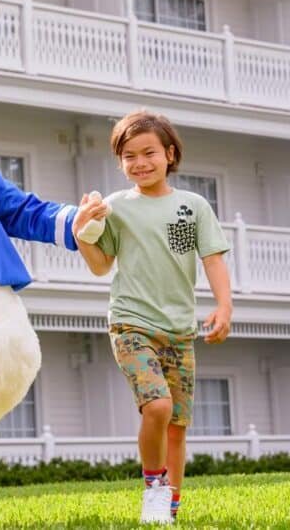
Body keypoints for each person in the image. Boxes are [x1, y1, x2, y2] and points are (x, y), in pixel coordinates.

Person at [74, 109, 233, 524]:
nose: (139, 163)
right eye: (129, 156)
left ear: (170, 153)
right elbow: (100, 264)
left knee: (177, 427)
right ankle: (154, 489)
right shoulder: (114, 208)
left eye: (148, 153)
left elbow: (211, 259)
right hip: (131, 323)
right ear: (120, 161)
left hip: (180, 330)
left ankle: (170, 512)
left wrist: (224, 305)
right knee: (158, 406)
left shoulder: (191, 207)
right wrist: (81, 233)